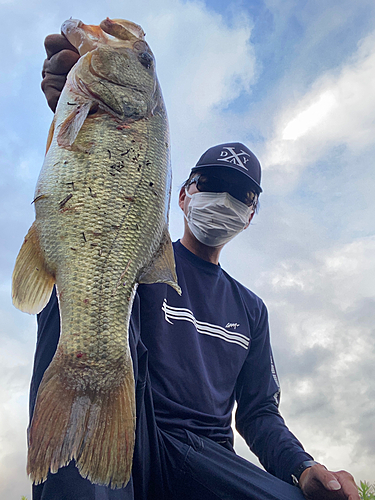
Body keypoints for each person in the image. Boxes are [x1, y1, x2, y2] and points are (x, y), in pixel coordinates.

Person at [29, 33, 360, 500]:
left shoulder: (252, 310)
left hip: (207, 460)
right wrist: (78, 121)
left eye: (241, 195)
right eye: (212, 184)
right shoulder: (138, 258)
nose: (224, 200)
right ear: (182, 194)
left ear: (251, 216)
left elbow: (259, 414)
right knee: (76, 302)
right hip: (134, 431)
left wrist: (304, 468)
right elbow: (91, 226)